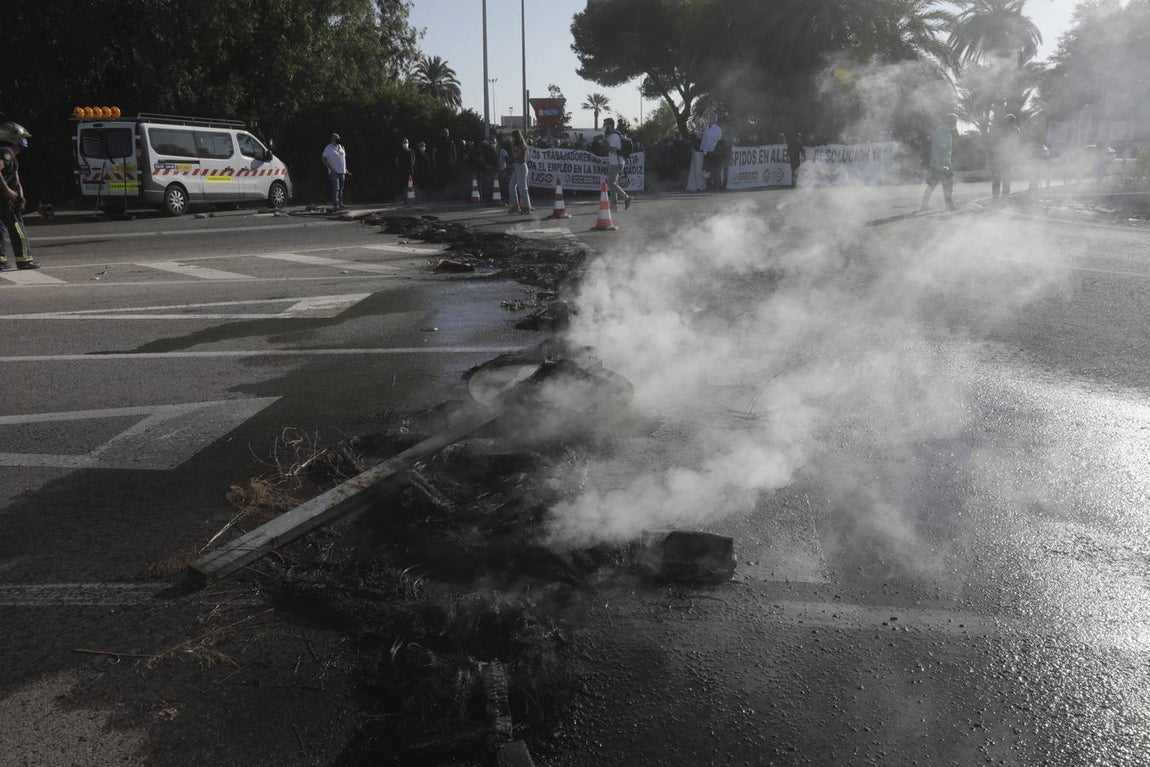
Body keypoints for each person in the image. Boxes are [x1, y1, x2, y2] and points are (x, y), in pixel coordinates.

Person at [0, 126, 39, 271]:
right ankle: (24, 260)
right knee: (17, 227)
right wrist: (9, 191)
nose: (24, 141)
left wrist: (21, 195)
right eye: (22, 138)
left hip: (4, 199)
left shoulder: (13, 157)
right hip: (3, 199)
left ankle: (1, 261)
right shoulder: (6, 152)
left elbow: (16, 179)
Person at [920, 112, 958, 211]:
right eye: (954, 121)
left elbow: (945, 150)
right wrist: (944, 165)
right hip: (940, 164)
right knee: (948, 184)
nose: (956, 124)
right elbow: (941, 149)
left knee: (932, 184)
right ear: (950, 121)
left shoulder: (944, 131)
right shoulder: (943, 132)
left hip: (937, 163)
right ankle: (948, 205)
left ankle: (924, 205)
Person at [603, 117, 632, 210]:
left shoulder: (614, 136)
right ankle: (614, 206)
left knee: (611, 183)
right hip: (614, 162)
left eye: (605, 124)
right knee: (612, 184)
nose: (604, 126)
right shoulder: (612, 135)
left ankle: (626, 197)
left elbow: (613, 150)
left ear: (610, 125)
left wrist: (604, 141)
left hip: (616, 162)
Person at [990, 113, 1021, 200]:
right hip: (1006, 156)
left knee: (998, 176)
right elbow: (1015, 143)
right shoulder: (1016, 130)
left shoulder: (1001, 130)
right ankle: (1004, 196)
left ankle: (996, 196)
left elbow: (995, 142)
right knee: (1006, 177)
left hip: (1000, 156)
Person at [321, 132, 349, 210]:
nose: (338, 139)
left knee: (341, 188)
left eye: (338, 138)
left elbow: (343, 159)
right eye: (336, 138)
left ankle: (340, 203)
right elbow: (323, 158)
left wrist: (345, 169)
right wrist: (329, 168)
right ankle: (335, 204)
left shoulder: (341, 147)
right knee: (336, 187)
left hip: (342, 171)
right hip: (334, 171)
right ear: (332, 139)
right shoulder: (328, 148)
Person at [507, 129, 531, 214]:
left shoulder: (521, 145)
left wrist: (512, 147)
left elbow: (516, 155)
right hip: (517, 167)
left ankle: (527, 207)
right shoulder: (516, 144)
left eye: (512, 137)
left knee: (522, 188)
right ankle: (515, 205)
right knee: (511, 186)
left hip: (521, 167)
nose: (511, 138)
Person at [700, 116, 723, 191]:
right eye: (709, 118)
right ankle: (708, 185)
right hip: (707, 151)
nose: (710, 120)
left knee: (715, 169)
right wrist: (702, 148)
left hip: (714, 151)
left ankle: (716, 186)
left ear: (715, 120)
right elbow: (704, 139)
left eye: (712, 118)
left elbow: (719, 139)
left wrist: (716, 149)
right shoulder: (706, 128)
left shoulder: (718, 129)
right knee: (707, 169)